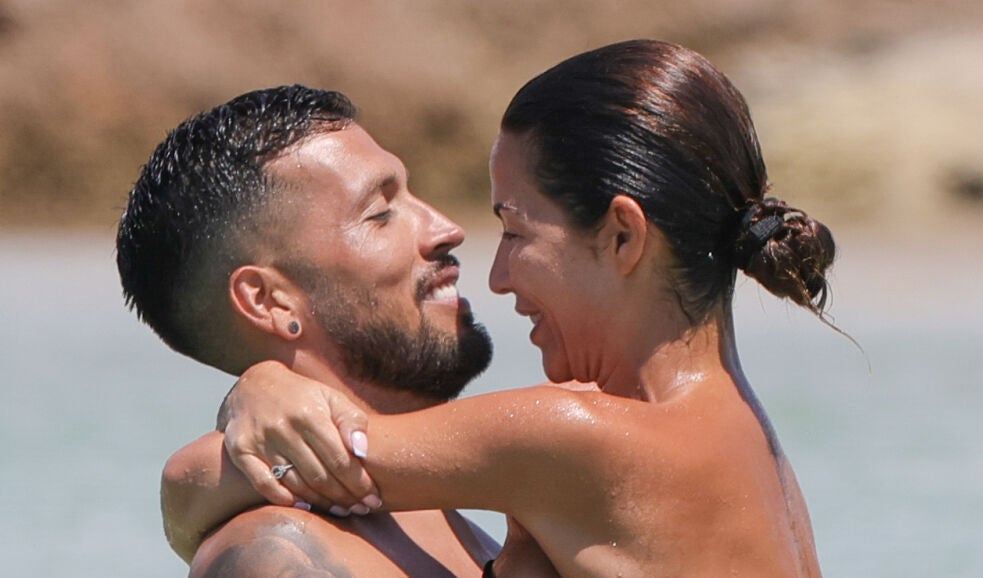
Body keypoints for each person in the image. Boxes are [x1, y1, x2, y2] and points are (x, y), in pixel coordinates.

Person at [167, 39, 834, 576]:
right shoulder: (758, 459)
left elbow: (199, 481)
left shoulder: (578, 437)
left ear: (622, 237)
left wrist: (261, 388)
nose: (496, 275)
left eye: (515, 231)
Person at [116, 84, 502, 576]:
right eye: (381, 213)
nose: (446, 228)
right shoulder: (277, 555)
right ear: (269, 301)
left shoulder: (461, 525)